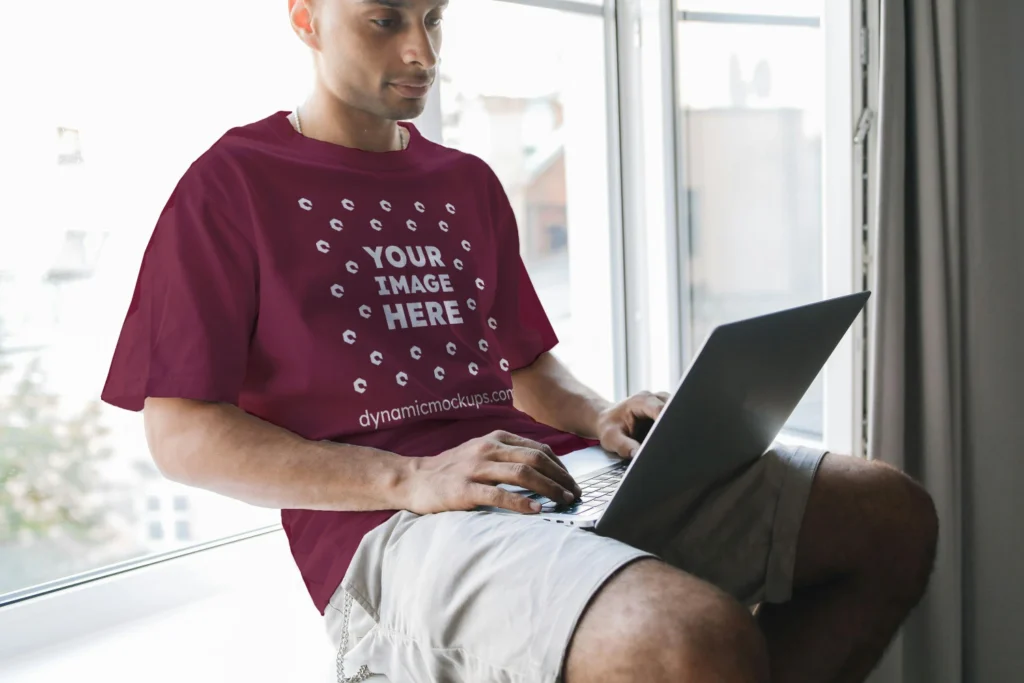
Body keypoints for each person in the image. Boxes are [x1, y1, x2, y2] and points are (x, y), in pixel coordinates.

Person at [101, 1, 939, 681]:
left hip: (546, 474)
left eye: (435, 18)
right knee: (694, 640)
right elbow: (182, 434)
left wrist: (601, 414)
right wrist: (413, 475)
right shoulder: (231, 184)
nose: (422, 50)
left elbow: (527, 366)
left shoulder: (463, 181)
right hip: (391, 526)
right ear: (305, 18)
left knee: (887, 515)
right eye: (385, 20)